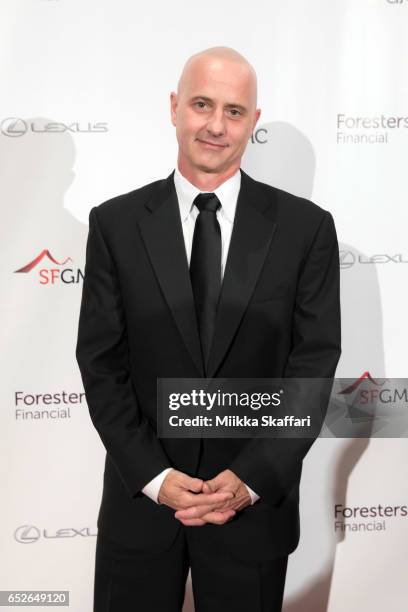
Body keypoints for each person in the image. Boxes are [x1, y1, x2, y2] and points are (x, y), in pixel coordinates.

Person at [75, 46, 341, 612]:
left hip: (250, 514)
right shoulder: (115, 225)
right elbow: (102, 365)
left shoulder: (305, 230)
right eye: (202, 104)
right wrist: (154, 476)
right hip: (141, 509)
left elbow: (312, 369)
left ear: (253, 122)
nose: (216, 125)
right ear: (175, 107)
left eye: (235, 111)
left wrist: (251, 478)